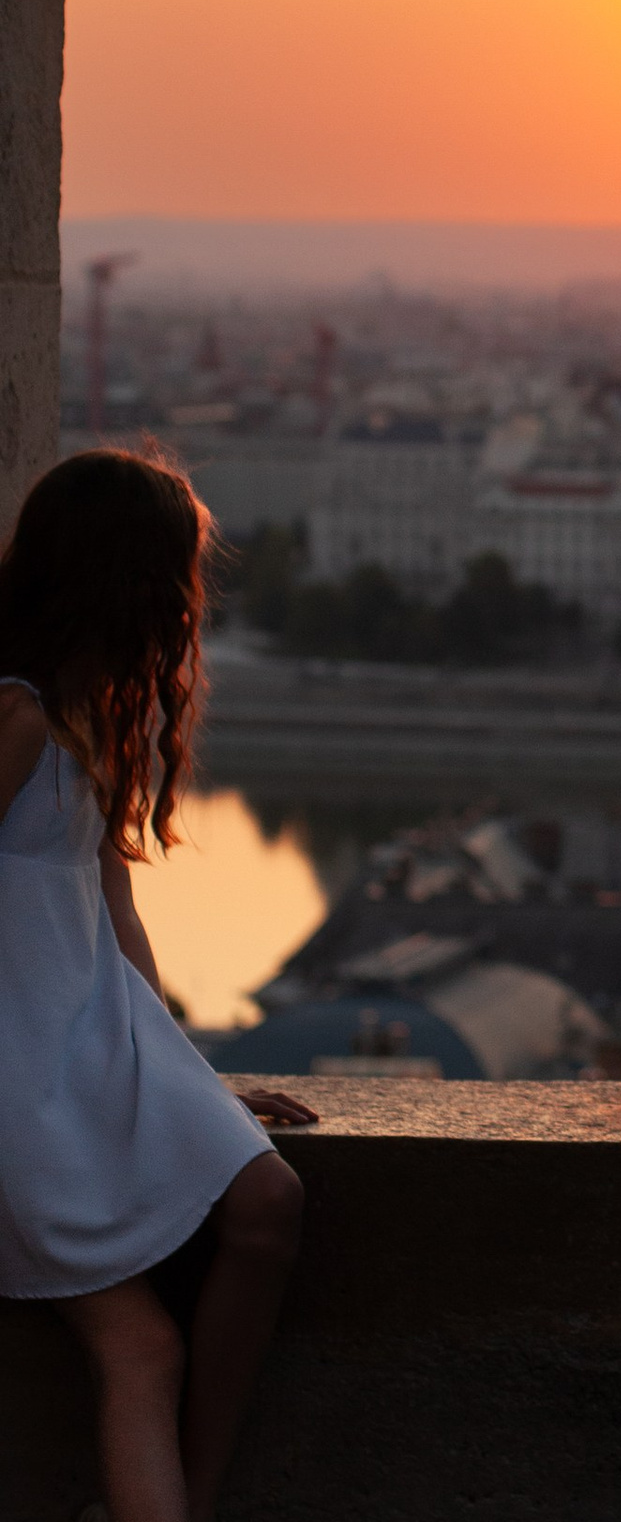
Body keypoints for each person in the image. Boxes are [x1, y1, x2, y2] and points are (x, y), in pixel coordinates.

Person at [0, 446, 317, 1522]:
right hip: (19, 1076)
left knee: (270, 1203)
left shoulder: (92, 713)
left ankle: (181, 1498)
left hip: (90, 1044)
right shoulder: (20, 719)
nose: (191, 601)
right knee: (141, 1347)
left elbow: (110, 906)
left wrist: (184, 1074)